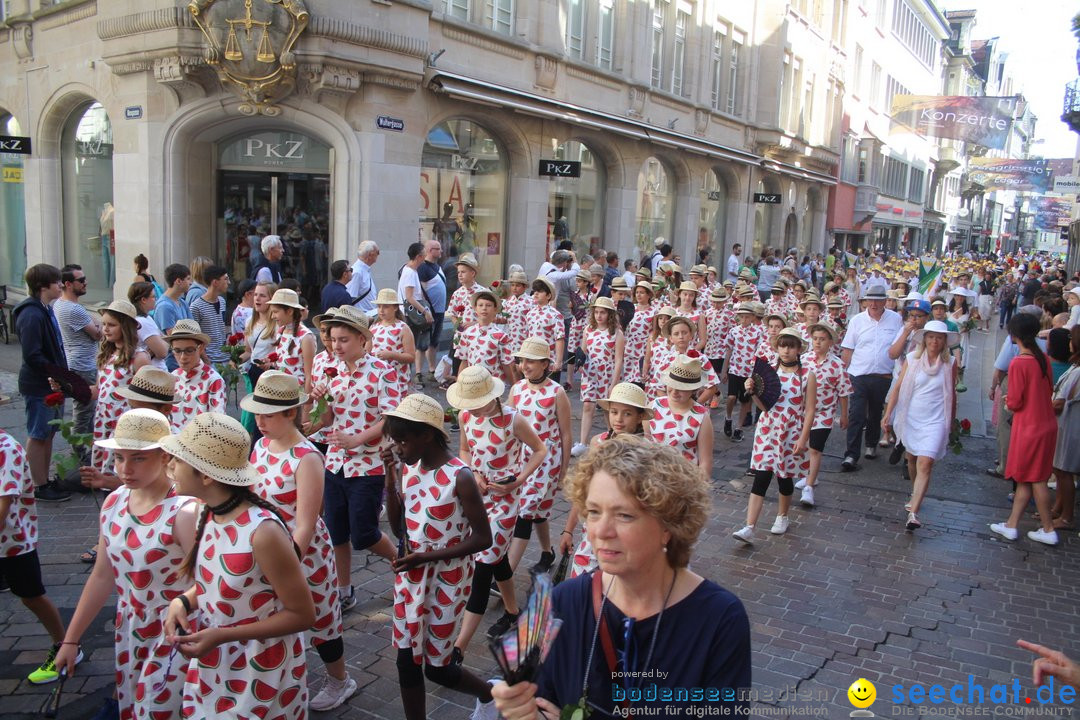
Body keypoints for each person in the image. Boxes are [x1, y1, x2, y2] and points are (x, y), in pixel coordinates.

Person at [491, 435, 752, 718]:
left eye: (624, 515)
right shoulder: (562, 603)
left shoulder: (719, 620)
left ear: (670, 524)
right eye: (593, 512)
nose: (600, 531)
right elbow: (541, 700)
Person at [161, 414, 315, 719]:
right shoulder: (208, 512)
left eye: (177, 460)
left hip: (260, 671)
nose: (169, 467)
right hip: (217, 665)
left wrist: (223, 635)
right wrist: (183, 601)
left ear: (206, 476)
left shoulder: (264, 533)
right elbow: (220, 579)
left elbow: (302, 614)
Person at [55, 410, 197, 719]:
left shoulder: (184, 511)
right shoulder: (114, 501)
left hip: (177, 630)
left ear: (164, 457)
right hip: (130, 628)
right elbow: (103, 575)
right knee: (133, 705)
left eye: (138, 458)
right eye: (119, 457)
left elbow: (211, 581)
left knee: (160, 709)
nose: (125, 468)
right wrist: (71, 638)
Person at [380, 394, 498, 720]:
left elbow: (482, 538)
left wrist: (428, 558)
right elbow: (397, 526)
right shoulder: (410, 469)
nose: (398, 448)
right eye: (395, 441)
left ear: (427, 435)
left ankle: (491, 695)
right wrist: (391, 476)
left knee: (438, 669)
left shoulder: (460, 477)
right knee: (406, 661)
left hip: (447, 581)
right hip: (412, 579)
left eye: (403, 441)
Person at [242, 372, 356, 711]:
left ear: (291, 413)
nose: (259, 421)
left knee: (321, 618)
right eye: (257, 414)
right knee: (272, 616)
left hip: (302, 553)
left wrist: (287, 561)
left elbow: (306, 522)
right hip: (268, 546)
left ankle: (339, 680)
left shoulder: (307, 457)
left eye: (268, 415)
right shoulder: (260, 446)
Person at [445, 366, 546, 649]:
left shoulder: (513, 420)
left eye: (476, 404)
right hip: (478, 496)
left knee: (483, 564)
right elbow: (465, 449)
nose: (472, 410)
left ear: (491, 397)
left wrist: (518, 481)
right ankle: (513, 611)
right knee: (497, 557)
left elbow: (540, 449)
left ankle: (459, 647)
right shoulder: (466, 416)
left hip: (505, 499)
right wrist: (473, 473)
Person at [310, 306, 400, 612]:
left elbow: (390, 419)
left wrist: (358, 439)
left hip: (369, 465)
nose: (336, 346)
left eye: (344, 339)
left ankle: (401, 561)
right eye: (334, 339)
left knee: (364, 533)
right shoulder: (330, 371)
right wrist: (318, 401)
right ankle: (344, 590)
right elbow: (326, 417)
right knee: (336, 531)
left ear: (363, 339)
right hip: (335, 462)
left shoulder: (381, 371)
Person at [0, 427, 76, 684]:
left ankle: (64, 644)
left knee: (31, 596)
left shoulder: (6, 448)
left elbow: (4, 504)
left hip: (13, 542)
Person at [732, 329, 816, 543]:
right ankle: (749, 526)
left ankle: (782, 515)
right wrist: (752, 392)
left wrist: (803, 438)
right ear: (776, 348)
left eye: (790, 346)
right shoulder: (769, 372)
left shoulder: (807, 375)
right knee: (761, 476)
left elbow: (810, 410)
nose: (786, 350)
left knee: (784, 477)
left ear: (798, 349)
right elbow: (764, 406)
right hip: (768, 429)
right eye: (782, 345)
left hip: (791, 430)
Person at [990, 312, 1060, 546]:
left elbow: (1016, 402)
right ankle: (1011, 524)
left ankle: (1048, 528)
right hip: (1045, 423)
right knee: (1028, 479)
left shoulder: (1019, 362)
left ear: (1014, 334)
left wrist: (1007, 399)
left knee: (1036, 479)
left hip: (1029, 426)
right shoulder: (1044, 359)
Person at [881, 320, 957, 531]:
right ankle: (915, 492)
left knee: (926, 462)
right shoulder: (913, 359)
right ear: (924, 339)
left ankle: (914, 511)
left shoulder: (950, 362)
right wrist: (888, 414)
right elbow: (898, 387)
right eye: (931, 336)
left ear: (944, 341)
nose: (934, 341)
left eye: (939, 337)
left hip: (936, 420)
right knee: (912, 459)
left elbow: (952, 394)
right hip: (912, 416)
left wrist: (952, 423)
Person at [505, 338, 571, 574]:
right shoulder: (517, 389)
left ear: (545, 364)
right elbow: (508, 426)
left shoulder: (557, 392)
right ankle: (547, 552)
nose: (525, 365)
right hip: (520, 458)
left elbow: (565, 434)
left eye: (532, 360)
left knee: (525, 511)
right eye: (523, 360)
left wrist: (563, 471)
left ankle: (506, 572)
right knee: (538, 511)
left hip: (545, 461)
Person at [13, 264, 71, 501]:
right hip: (40, 384)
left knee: (48, 433)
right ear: (42, 286)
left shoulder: (45, 310)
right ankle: (37, 484)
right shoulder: (31, 313)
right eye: (57, 282)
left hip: (51, 382)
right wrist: (54, 373)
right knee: (38, 434)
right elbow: (32, 354)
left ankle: (44, 479)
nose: (61, 286)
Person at [839, 286, 902, 471]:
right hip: (859, 374)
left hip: (884, 375)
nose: (873, 304)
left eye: (878, 300)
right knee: (856, 414)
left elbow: (899, 346)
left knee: (875, 412)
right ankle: (851, 454)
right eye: (870, 300)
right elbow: (848, 349)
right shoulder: (857, 321)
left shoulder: (895, 319)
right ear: (865, 301)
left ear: (885, 301)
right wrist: (843, 375)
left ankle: (871, 444)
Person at [795, 324, 851, 508]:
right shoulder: (803, 360)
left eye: (822, 339)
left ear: (830, 342)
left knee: (816, 448)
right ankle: (809, 474)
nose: (818, 342)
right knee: (803, 445)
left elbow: (843, 392)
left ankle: (809, 487)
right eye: (815, 338)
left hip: (824, 413)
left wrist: (844, 415)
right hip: (802, 412)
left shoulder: (837, 364)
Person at [91, 301, 150, 474]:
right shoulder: (106, 355)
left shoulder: (139, 358)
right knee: (102, 472)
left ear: (125, 327)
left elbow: (147, 399)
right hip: (103, 420)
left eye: (111, 325)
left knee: (120, 471)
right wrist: (69, 388)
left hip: (124, 422)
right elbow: (98, 389)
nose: (106, 329)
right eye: (103, 325)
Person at [54, 264, 101, 466]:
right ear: (68, 284)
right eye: (81, 280)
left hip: (76, 362)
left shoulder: (60, 304)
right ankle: (82, 454)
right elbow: (98, 333)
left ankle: (85, 450)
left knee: (84, 409)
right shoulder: (73, 309)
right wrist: (97, 322)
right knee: (84, 411)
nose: (85, 282)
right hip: (83, 365)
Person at [648, 354, 714, 480]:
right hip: (654, 481)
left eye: (681, 388)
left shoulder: (701, 416)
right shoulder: (654, 407)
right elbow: (643, 444)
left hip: (685, 483)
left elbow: (705, 461)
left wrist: (698, 490)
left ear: (693, 390)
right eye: (672, 385)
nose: (674, 391)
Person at [573, 297, 625, 456]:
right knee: (588, 406)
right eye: (596, 312)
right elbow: (583, 351)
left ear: (609, 314)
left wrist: (613, 384)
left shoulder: (616, 333)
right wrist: (580, 363)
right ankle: (583, 442)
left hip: (607, 374)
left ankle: (613, 438)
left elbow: (618, 360)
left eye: (602, 312)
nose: (599, 315)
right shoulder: (588, 329)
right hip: (590, 373)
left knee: (606, 408)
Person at [165, 319, 227, 433]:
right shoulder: (172, 378)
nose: (183, 357)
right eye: (177, 351)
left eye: (189, 350)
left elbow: (218, 421)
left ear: (201, 348)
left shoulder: (213, 380)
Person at [1048, 326, 1080, 530]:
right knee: (1059, 470)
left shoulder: (1078, 371)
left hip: (1070, 425)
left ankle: (1067, 516)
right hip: (1065, 423)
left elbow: (1061, 400)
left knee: (1065, 470)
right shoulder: (1074, 366)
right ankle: (1058, 507)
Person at [266, 288, 316, 394]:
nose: (272, 316)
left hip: (298, 394)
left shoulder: (306, 337)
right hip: (281, 392)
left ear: (289, 311)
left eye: (275, 312)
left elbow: (309, 375)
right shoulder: (281, 331)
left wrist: (306, 405)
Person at [371, 289, 417, 400]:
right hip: (376, 378)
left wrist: (391, 355)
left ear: (395, 308)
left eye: (386, 307)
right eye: (379, 306)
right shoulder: (373, 327)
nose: (381, 310)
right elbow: (366, 351)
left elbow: (411, 357)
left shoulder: (403, 328)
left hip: (397, 379)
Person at [416, 239, 448, 382]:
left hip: (439, 311)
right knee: (422, 342)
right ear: (430, 250)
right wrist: (425, 309)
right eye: (438, 248)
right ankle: (418, 372)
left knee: (434, 341)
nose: (441, 251)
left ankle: (431, 369)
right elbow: (419, 289)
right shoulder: (423, 268)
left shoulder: (437, 267)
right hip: (429, 311)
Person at [189, 264, 230, 365]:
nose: (228, 282)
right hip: (210, 361)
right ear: (215, 282)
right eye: (225, 279)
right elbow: (194, 337)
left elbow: (221, 326)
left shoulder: (222, 301)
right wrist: (206, 359)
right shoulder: (196, 307)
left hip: (226, 358)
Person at [156, 263, 193, 371]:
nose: (190, 283)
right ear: (178, 281)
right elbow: (173, 336)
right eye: (188, 279)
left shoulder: (182, 302)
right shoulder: (164, 306)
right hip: (173, 362)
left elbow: (193, 327)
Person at [128, 281, 170, 371]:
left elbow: (166, 340)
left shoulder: (147, 318)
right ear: (143, 300)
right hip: (155, 373)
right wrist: (162, 342)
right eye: (153, 297)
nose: (156, 299)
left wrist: (162, 342)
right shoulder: (142, 322)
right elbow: (163, 352)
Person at [346, 240, 380, 315]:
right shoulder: (357, 272)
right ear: (370, 255)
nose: (379, 255)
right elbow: (350, 298)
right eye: (377, 252)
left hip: (369, 314)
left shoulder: (364, 270)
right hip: (362, 317)